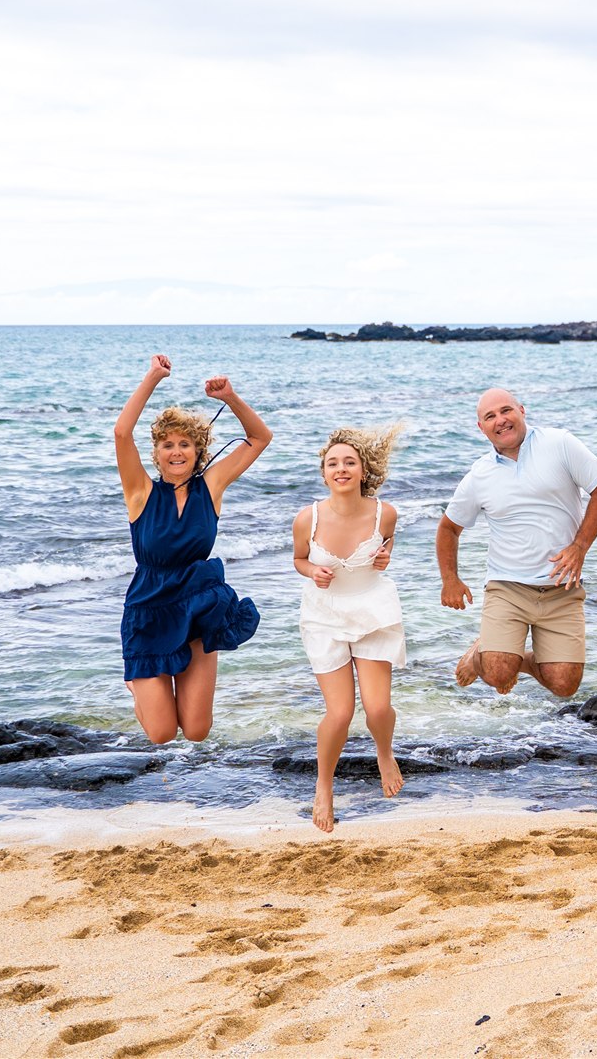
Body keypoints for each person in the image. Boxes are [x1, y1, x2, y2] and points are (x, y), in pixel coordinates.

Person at [111, 354, 271, 744]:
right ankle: (138, 686)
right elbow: (121, 433)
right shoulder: (140, 492)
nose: (177, 451)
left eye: (185, 444)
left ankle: (157, 686)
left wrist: (230, 397)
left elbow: (260, 438)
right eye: (168, 444)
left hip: (199, 607)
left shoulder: (211, 486)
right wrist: (153, 377)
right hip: (150, 610)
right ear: (157, 452)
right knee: (162, 734)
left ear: (198, 450)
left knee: (197, 731)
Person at [438, 388, 597, 698]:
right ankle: (489, 653)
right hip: (508, 587)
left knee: (564, 685)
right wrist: (450, 580)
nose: (501, 420)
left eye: (506, 410)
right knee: (495, 672)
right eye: (490, 416)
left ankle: (506, 653)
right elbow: (448, 528)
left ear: (522, 410)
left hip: (562, 587)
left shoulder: (560, 443)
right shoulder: (479, 475)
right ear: (481, 427)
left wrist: (579, 547)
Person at [292, 425, 406, 833]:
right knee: (340, 713)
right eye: (332, 463)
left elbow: (387, 543)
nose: (341, 468)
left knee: (376, 709)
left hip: (373, 608)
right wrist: (313, 571)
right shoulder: (308, 517)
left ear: (362, 471)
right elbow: (299, 560)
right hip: (325, 615)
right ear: (323, 473)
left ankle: (384, 751)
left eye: (349, 462)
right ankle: (324, 786)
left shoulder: (384, 512)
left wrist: (384, 558)